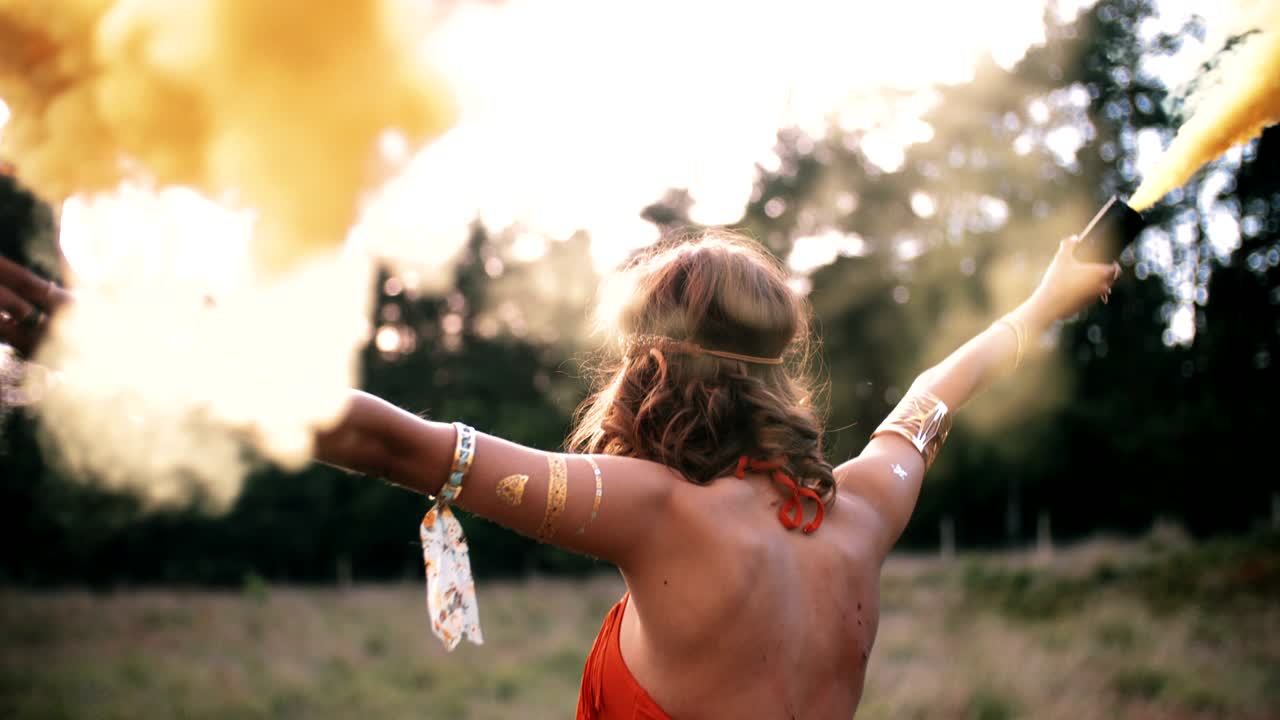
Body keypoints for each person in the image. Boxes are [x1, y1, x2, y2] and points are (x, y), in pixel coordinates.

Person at [0, 229, 1120, 719]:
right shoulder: (862, 507)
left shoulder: (651, 513)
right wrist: (1038, 304)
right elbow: (933, 395)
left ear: (648, 368)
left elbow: (390, 441)